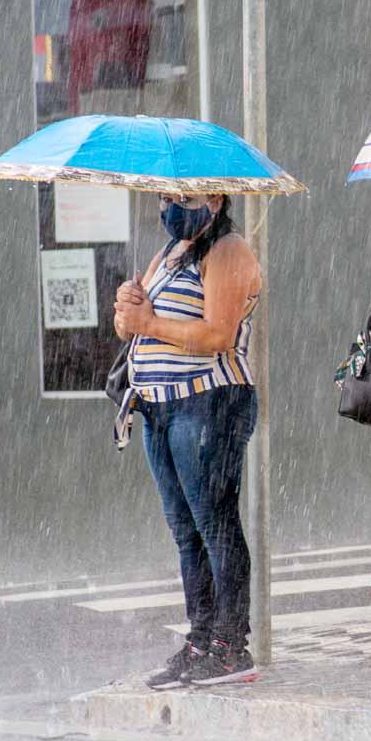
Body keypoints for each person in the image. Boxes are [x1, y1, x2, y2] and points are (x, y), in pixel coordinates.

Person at [113, 192, 262, 688]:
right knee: (186, 532)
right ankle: (200, 638)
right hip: (159, 407)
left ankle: (230, 645)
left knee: (215, 524)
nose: (173, 205)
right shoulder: (167, 253)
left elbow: (218, 333)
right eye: (165, 196)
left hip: (209, 403)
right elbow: (131, 330)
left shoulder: (229, 251)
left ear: (216, 198)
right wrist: (127, 312)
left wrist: (149, 322)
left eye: (186, 196)